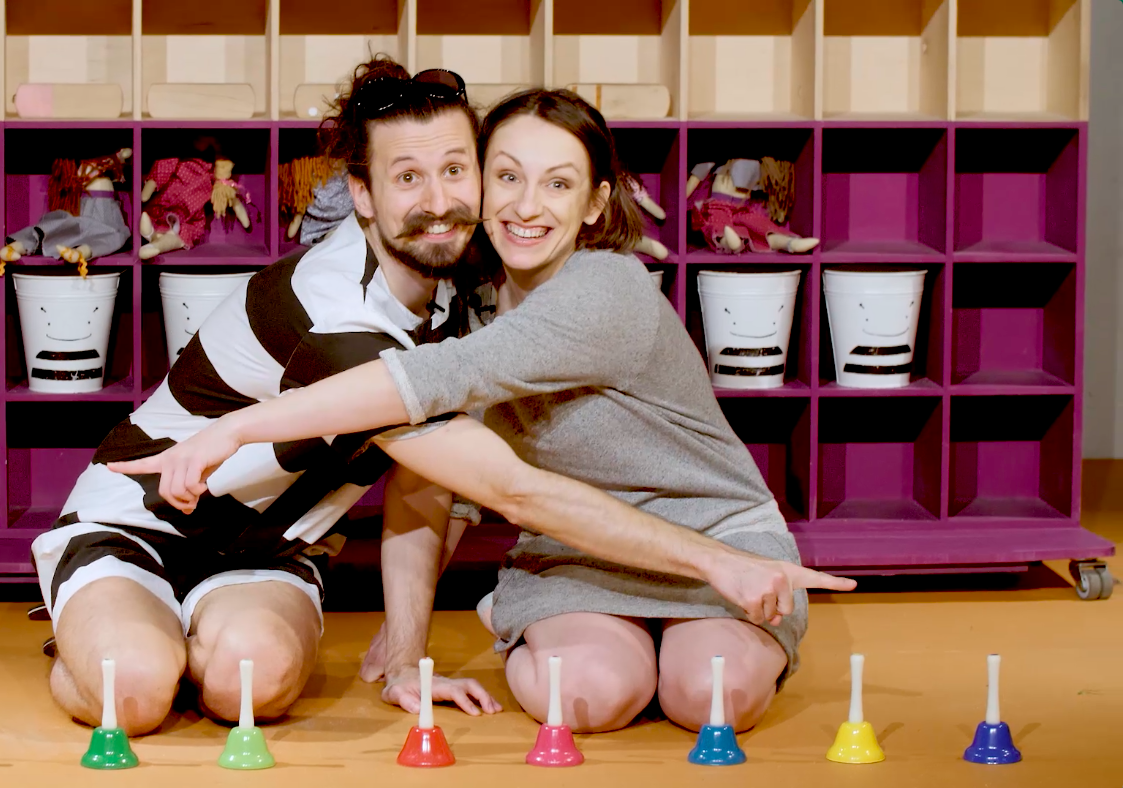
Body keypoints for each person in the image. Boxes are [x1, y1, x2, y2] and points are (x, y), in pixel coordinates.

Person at [116, 88, 858, 735]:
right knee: (592, 698)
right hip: (575, 552)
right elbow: (440, 481)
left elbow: (430, 382)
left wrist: (237, 426)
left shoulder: (607, 289)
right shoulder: (465, 298)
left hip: (719, 540)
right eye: (507, 177)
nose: (526, 207)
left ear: (596, 203)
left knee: (711, 697)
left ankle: (671, 637)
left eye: (558, 184)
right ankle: (524, 614)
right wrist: (404, 645)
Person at [29, 56, 504, 735]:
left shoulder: (455, 289)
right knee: (131, 690)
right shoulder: (336, 317)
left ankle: (171, 637)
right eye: (407, 177)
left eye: (455, 169)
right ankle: (109, 636)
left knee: (249, 689)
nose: (438, 200)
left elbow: (421, 482)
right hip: (138, 520)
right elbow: (487, 478)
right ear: (363, 194)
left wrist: (406, 656)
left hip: (269, 550)